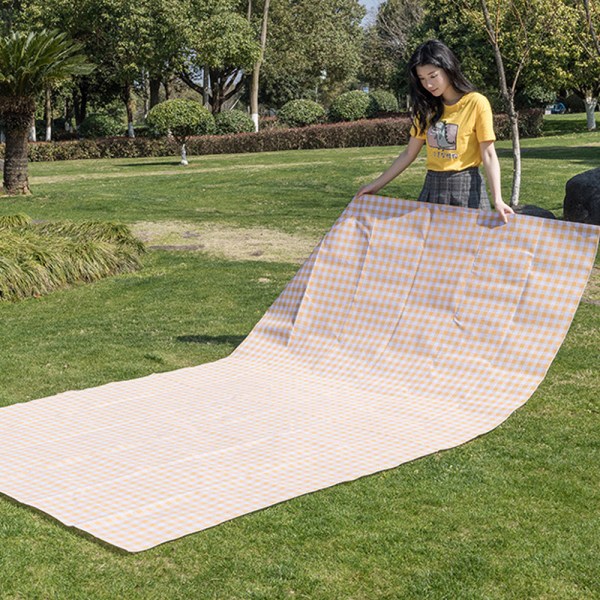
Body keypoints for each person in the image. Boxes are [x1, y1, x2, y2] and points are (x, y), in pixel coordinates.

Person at [357, 39, 514, 223]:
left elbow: (488, 154)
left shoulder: (476, 103)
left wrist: (498, 200)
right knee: (428, 250)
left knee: (468, 250)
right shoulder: (426, 108)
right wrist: (375, 186)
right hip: (432, 187)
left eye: (433, 76)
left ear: (448, 69)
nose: (428, 85)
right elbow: (409, 153)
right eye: (422, 79)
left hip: (466, 188)